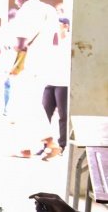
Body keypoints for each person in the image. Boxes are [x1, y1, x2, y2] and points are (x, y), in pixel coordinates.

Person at [7, 0, 60, 160]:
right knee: (27, 104)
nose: (16, 3)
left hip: (29, 65)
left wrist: (11, 46)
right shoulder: (50, 10)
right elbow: (55, 40)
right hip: (47, 64)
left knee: (25, 104)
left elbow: (21, 44)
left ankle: (49, 142)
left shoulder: (26, 11)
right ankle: (27, 148)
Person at [42, 17, 71, 152]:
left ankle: (63, 145)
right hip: (49, 81)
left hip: (63, 82)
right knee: (44, 112)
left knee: (63, 115)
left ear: (65, 26)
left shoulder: (70, 41)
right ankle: (45, 144)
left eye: (58, 24)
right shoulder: (50, 40)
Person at [0, 8, 17, 116]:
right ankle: (7, 108)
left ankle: (5, 108)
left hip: (6, 56)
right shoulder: (19, 29)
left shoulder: (2, 29)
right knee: (10, 84)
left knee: (6, 84)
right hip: (13, 57)